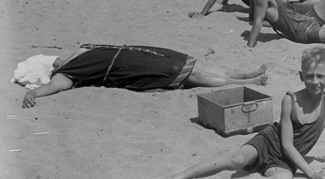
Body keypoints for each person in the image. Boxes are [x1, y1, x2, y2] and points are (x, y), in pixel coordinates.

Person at [165, 48, 325, 179]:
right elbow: (287, 144)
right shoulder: (290, 100)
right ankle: (180, 176)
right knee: (236, 159)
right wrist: (311, 173)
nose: (314, 81)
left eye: (320, 76)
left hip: (287, 161)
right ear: (300, 76)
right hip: (269, 142)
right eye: (309, 76)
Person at [20, 44, 268, 108]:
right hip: (138, 68)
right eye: (53, 63)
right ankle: (247, 82)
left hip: (144, 55)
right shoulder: (66, 74)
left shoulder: (79, 53)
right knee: (193, 75)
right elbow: (56, 86)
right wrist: (34, 92)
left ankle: (245, 75)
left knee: (196, 65)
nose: (58, 60)